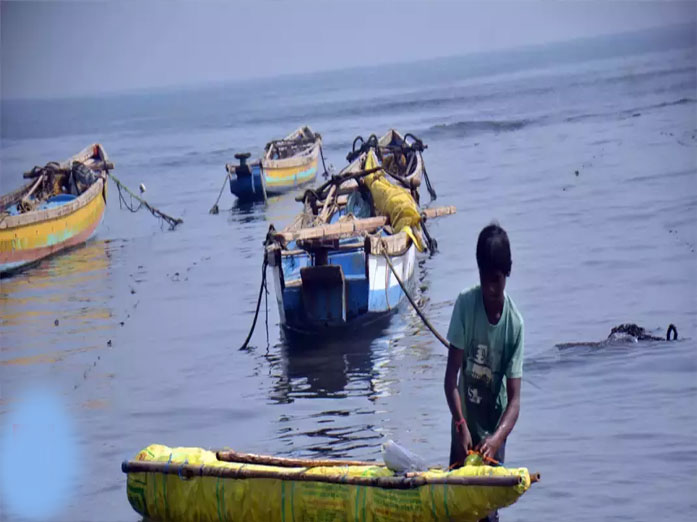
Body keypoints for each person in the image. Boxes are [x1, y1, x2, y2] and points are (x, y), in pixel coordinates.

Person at [443, 222, 524, 521]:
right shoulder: (466, 305)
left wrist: (496, 438)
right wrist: (461, 422)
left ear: (507, 274)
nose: (491, 288)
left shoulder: (515, 325)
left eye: (497, 280)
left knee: (487, 515)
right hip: (463, 430)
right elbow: (451, 379)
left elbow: (515, 401)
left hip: (493, 436)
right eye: (485, 279)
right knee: (457, 509)